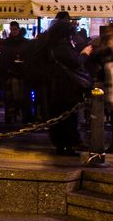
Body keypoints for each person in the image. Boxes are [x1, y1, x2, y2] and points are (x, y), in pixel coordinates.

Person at [36, 13, 89, 154]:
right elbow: (75, 62)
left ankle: (64, 143)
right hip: (66, 86)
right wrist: (85, 54)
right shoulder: (62, 46)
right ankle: (66, 144)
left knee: (62, 117)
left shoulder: (52, 44)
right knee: (66, 117)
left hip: (59, 85)